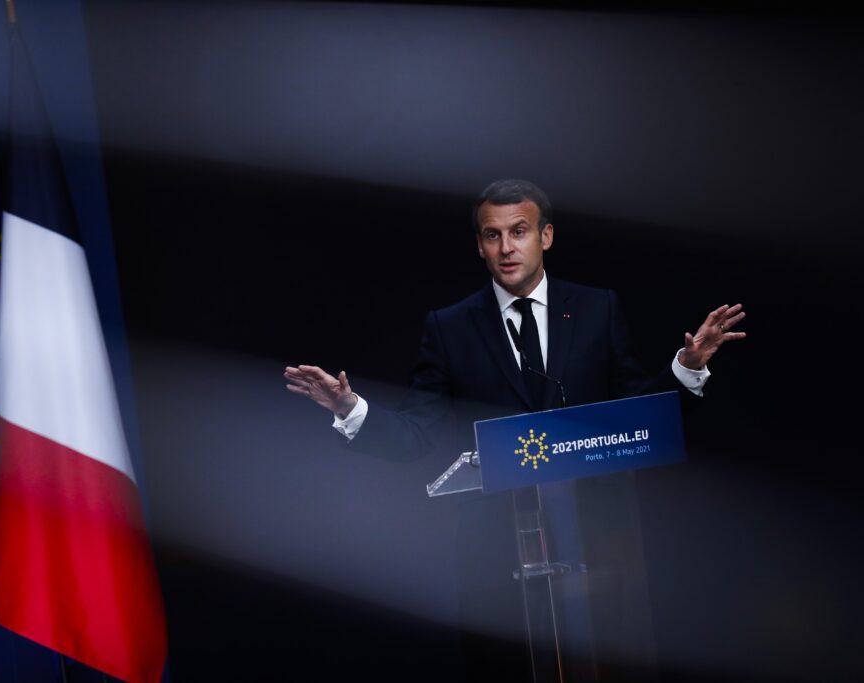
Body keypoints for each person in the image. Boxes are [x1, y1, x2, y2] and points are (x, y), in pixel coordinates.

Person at [285, 179, 746, 680]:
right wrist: (350, 409)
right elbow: (417, 435)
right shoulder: (451, 327)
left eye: (519, 231)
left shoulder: (597, 309)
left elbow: (638, 417)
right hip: (498, 563)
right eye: (493, 235)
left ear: (546, 236)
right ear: (479, 246)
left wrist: (686, 367)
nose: (506, 247)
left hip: (597, 546)